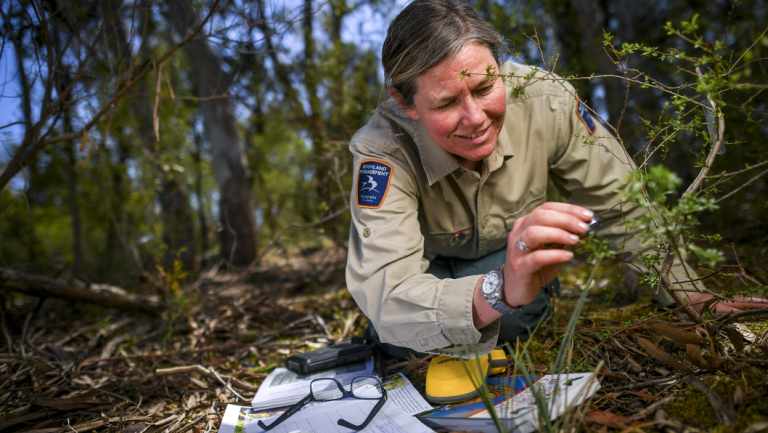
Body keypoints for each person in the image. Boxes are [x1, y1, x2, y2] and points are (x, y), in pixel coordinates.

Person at [345, 0, 766, 356]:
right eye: (447, 102)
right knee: (398, 337)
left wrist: (686, 291)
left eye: (485, 87)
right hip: (429, 268)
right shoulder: (382, 151)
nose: (475, 119)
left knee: (515, 319)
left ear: (500, 67)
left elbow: (621, 201)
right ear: (405, 102)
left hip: (505, 256)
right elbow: (388, 288)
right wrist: (498, 290)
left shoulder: (544, 100)